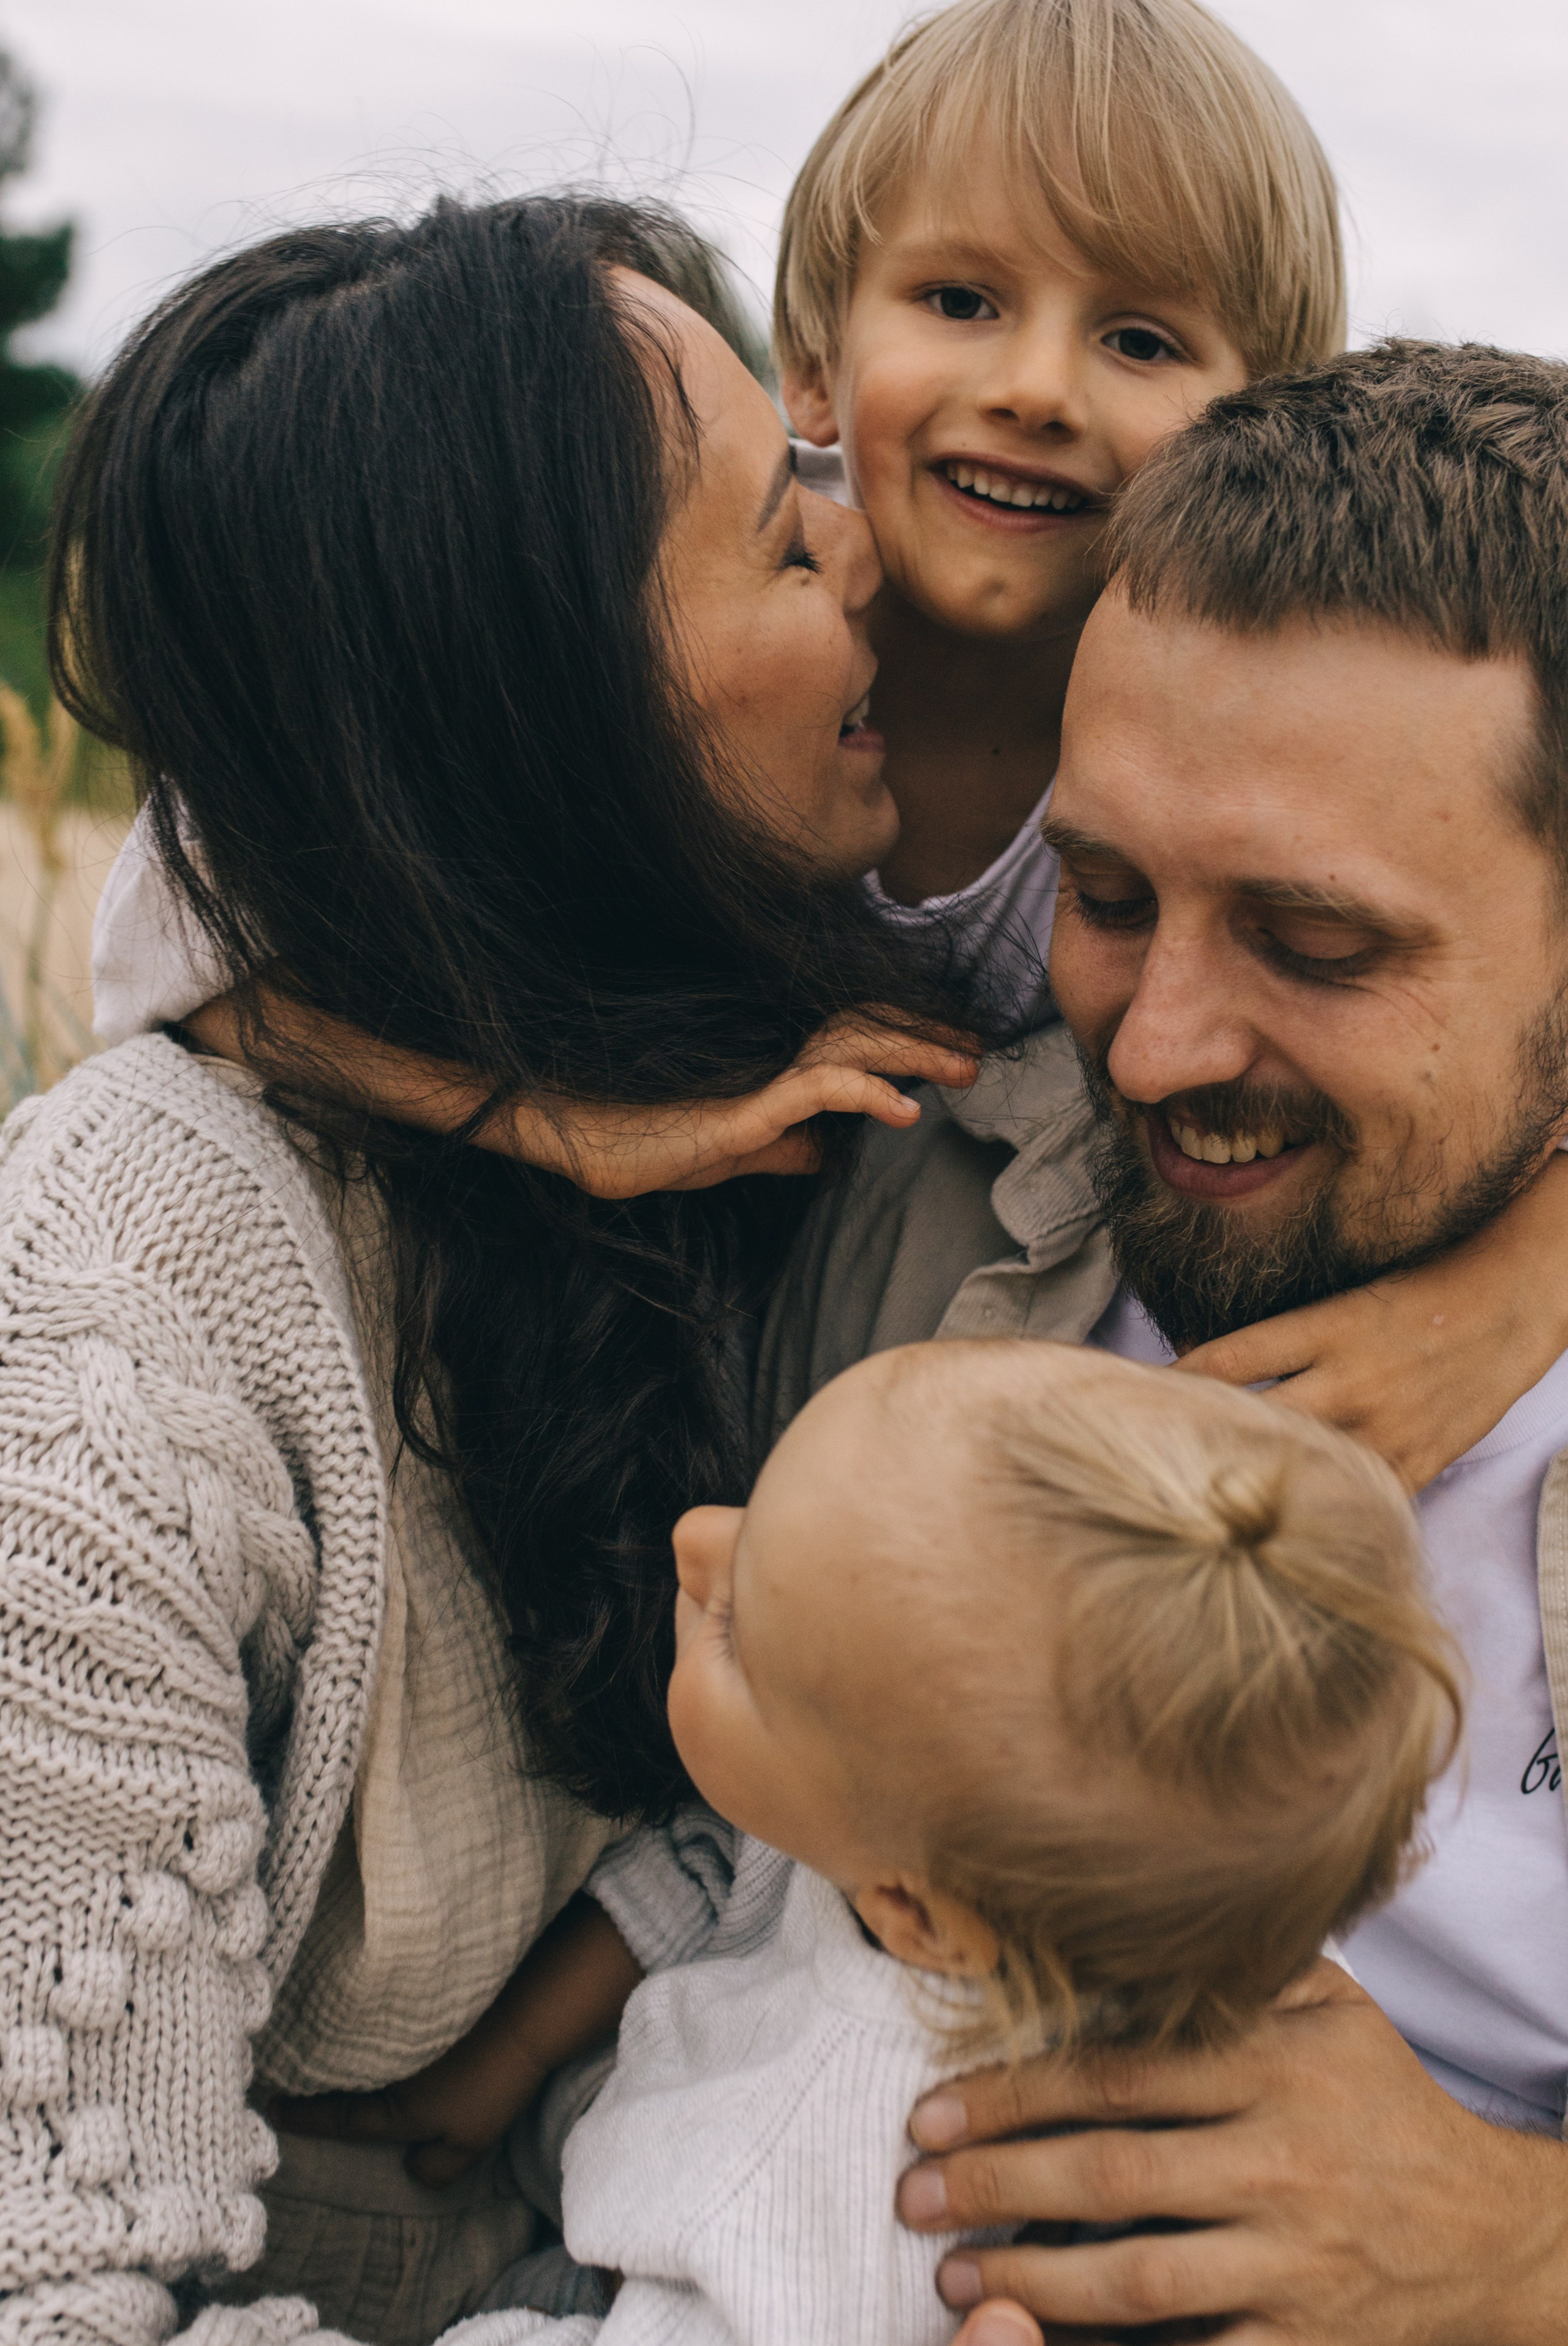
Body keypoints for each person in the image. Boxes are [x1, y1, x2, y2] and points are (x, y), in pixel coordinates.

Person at [93, 0, 1568, 1479]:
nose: (1036, 388)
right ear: (810, 360)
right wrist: (547, 1122)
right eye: (958, 302)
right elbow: (177, 920)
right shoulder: (698, 570)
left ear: (1250, 431)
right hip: (655, 1299)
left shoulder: (1210, 722)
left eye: (1136, 338)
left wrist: (1519, 1288)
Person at [3, 192, 983, 2346]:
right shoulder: (105, 1381)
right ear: (534, 705)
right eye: (776, 534)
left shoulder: (762, 1081)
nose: (870, 554)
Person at [757, 339, 1568, 2346]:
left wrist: (1519, 2252)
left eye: (1314, 943)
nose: (1157, 1042)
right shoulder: (936, 1188)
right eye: (1106, 895)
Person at [394, 1339, 1457, 2346]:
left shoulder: (840, 2191)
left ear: (915, 1920)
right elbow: (726, 1865)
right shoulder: (1109, 1887)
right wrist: (513, 2059)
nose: (696, 1538)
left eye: (738, 1636)